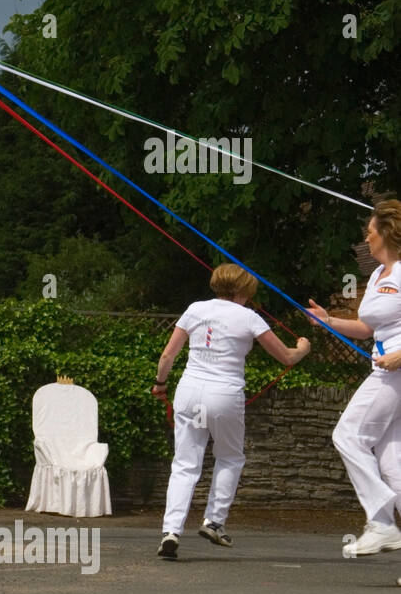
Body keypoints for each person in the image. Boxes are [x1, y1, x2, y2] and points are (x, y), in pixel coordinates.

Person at [151, 264, 310, 559]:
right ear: (241, 291)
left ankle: (171, 531)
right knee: (229, 457)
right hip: (223, 396)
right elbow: (286, 357)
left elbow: (168, 354)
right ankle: (214, 521)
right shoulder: (249, 317)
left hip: (191, 394)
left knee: (185, 463)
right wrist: (303, 348)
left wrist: (160, 384)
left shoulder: (195, 309)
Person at [308, 199, 401, 557]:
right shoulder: (378, 275)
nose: (366, 236)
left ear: (386, 234)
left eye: (370, 231)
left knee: (348, 435)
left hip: (394, 372)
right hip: (385, 368)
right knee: (393, 465)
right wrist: (328, 321)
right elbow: (365, 327)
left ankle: (382, 523)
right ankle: (386, 524)